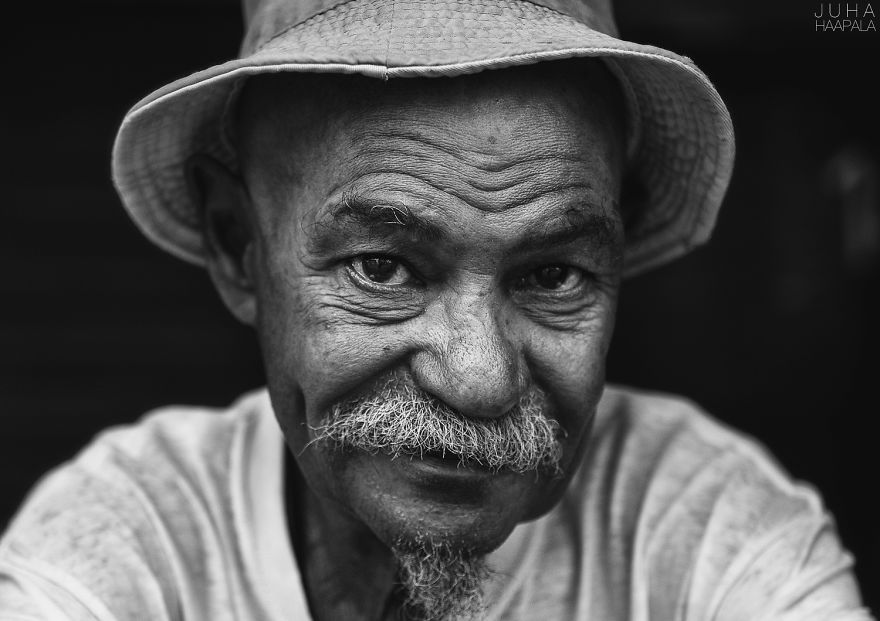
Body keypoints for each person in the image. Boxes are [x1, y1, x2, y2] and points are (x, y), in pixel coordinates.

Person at [0, 0, 872, 619]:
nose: (481, 378)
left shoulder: (704, 526)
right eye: (383, 267)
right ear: (239, 247)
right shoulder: (127, 542)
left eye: (553, 273)